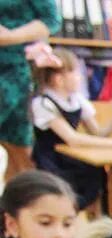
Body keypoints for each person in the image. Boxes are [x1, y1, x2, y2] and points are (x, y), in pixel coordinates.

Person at [30, 48, 112, 212]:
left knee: (98, 173)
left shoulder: (76, 100)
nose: (80, 77)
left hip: (72, 157)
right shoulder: (43, 103)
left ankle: (102, 216)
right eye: (75, 73)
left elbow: (97, 133)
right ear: (58, 79)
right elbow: (72, 138)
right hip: (53, 162)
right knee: (66, 193)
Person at [0, 1, 60, 181]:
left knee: (20, 151)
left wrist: (10, 36)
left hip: (14, 69)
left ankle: (24, 203)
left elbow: (51, 20)